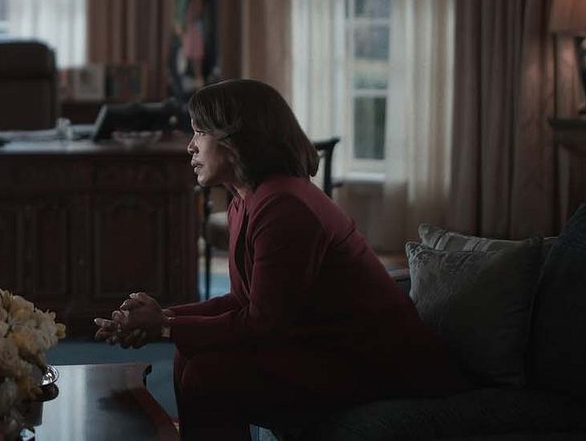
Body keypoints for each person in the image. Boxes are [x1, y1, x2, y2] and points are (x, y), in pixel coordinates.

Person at [94, 79, 465, 440]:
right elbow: (246, 301)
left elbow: (264, 324)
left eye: (199, 133)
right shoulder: (247, 199)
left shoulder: (284, 205)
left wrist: (162, 326)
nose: (190, 146)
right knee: (189, 358)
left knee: (208, 374)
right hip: (325, 346)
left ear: (236, 140)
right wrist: (164, 318)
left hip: (377, 363)